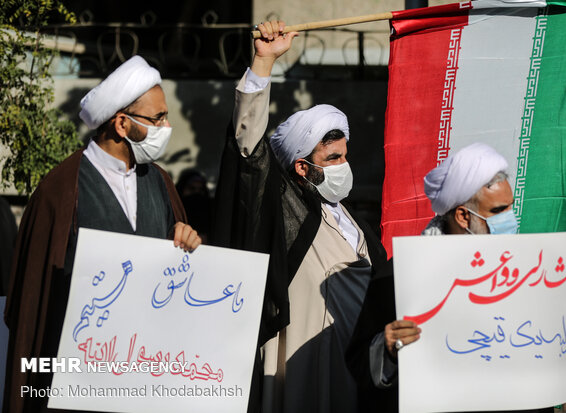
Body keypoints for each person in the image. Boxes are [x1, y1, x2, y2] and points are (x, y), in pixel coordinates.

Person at [3, 55, 201, 413]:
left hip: (146, 379)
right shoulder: (59, 192)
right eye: (157, 118)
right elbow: (32, 301)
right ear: (122, 124)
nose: (166, 126)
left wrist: (184, 240)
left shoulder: (160, 182)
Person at [213, 21, 390, 413]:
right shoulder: (284, 210)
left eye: (344, 155)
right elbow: (249, 155)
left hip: (359, 368)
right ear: (301, 168)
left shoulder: (351, 220)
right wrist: (263, 63)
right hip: (304, 370)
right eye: (332, 159)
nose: (344, 166)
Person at [347, 142, 566, 413]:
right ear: (463, 216)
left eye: (511, 207)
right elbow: (360, 366)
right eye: (499, 211)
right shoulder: (397, 276)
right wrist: (388, 347)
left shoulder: (528, 273)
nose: (511, 219)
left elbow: (538, 344)